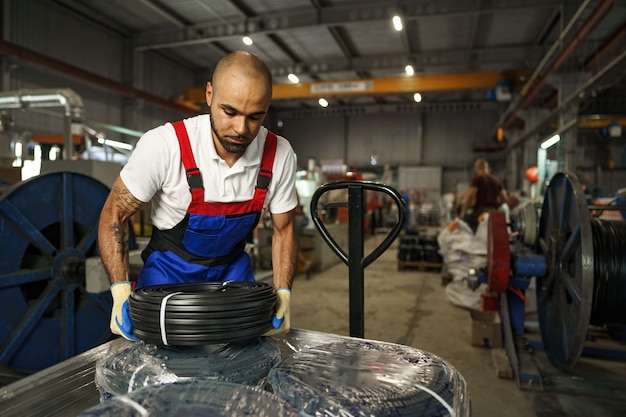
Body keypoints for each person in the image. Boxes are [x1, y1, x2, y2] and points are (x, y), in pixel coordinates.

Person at [98, 51, 298, 341]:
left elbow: (284, 228)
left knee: (244, 363)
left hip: (234, 277)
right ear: (209, 94)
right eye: (229, 112)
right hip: (166, 277)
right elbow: (113, 214)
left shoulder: (279, 154)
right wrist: (119, 289)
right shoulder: (165, 146)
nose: (241, 129)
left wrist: (284, 292)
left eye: (255, 116)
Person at [459, 158, 508, 231]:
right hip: (494, 212)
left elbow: (470, 195)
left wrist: (463, 212)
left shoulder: (477, 179)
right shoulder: (496, 180)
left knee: (465, 225)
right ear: (487, 168)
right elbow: (504, 199)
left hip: (480, 212)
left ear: (476, 168)